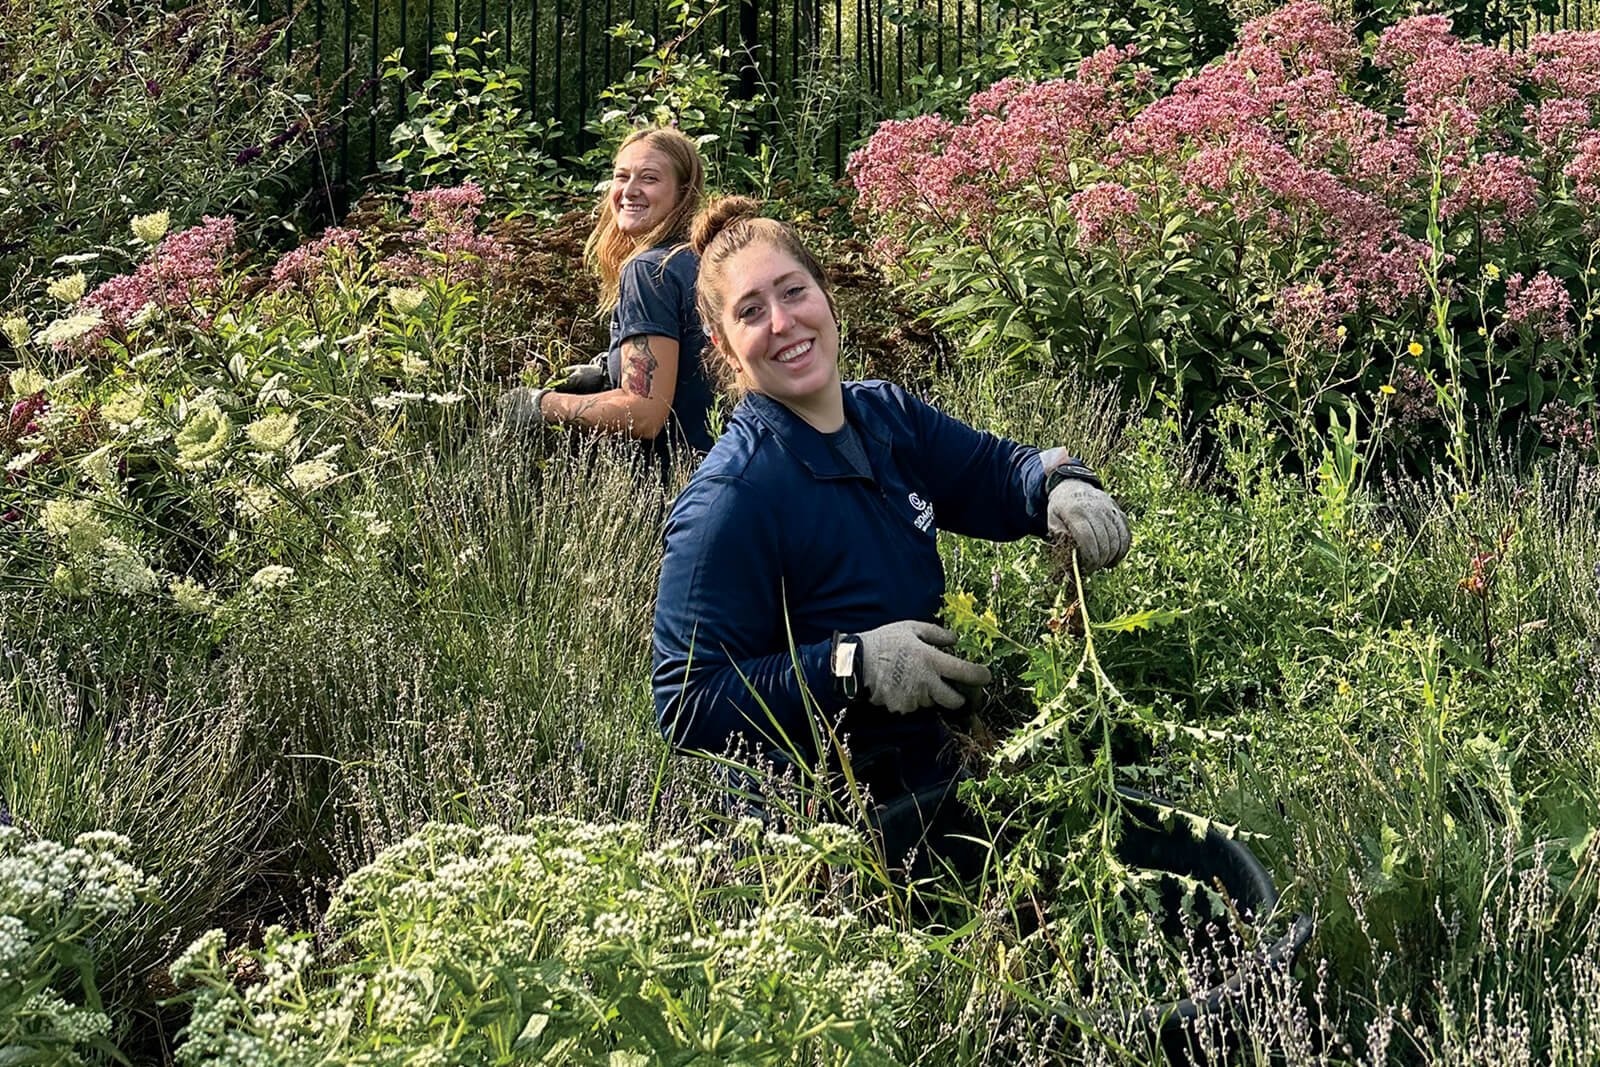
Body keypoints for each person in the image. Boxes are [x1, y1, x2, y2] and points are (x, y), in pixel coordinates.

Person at [651, 196, 1131, 813]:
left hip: (932, 771)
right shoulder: (734, 497)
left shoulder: (886, 416)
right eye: (751, 311)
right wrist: (855, 664)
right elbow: (688, 703)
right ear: (724, 344)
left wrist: (1059, 488)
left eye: (793, 292)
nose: (782, 322)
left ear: (825, 294)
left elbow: (991, 474)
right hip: (827, 821)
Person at [499, 127, 716, 463]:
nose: (629, 190)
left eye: (649, 178)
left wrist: (539, 404)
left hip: (676, 487)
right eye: (621, 176)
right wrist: (607, 372)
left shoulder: (649, 271)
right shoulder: (701, 259)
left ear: (683, 193)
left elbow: (644, 413)